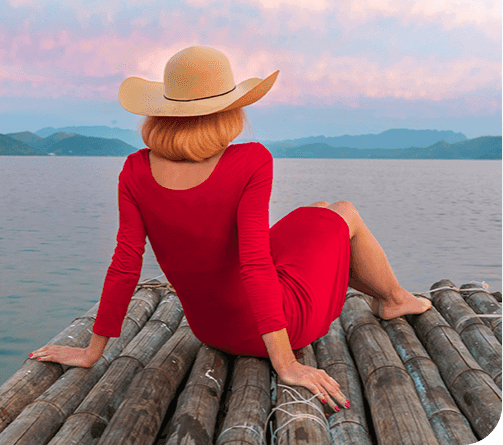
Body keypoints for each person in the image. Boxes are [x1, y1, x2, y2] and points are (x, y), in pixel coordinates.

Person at [28, 46, 431, 412]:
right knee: (343, 212)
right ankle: (395, 298)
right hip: (276, 330)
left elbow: (125, 264)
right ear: (228, 109)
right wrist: (287, 364)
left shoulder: (135, 169)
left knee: (318, 210)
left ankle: (389, 293)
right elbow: (255, 264)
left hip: (210, 329)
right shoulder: (250, 161)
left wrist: (90, 352)